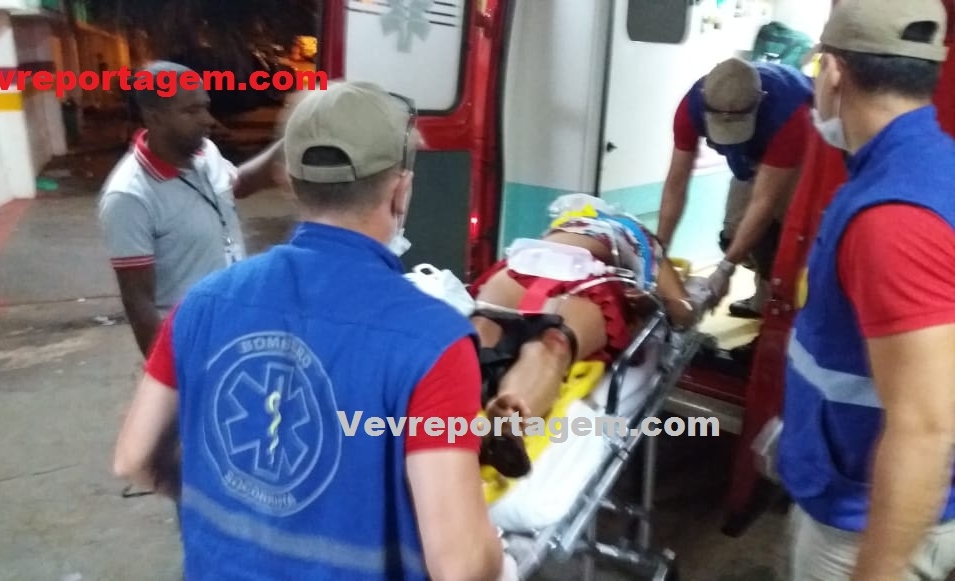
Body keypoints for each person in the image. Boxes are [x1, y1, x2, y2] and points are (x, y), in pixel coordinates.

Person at [111, 81, 510, 580]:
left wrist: (235, 509)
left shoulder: (202, 303)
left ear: (289, 181)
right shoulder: (434, 342)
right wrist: (495, 552)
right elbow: (460, 565)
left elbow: (133, 458)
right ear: (400, 190)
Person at [774, 0, 955, 578]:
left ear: (833, 72)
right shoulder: (929, 168)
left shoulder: (893, 217)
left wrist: (877, 569)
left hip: (864, 523)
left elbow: (924, 429)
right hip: (843, 481)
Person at [466, 194, 699, 477]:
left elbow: (680, 310)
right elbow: (683, 310)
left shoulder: (571, 227)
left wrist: (651, 302)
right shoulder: (640, 238)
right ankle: (500, 420)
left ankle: (476, 420)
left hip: (541, 269)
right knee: (545, 342)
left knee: (492, 335)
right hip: (565, 272)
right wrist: (655, 303)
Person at [97, 60, 285, 358]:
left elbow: (239, 184)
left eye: (205, 107)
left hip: (233, 326)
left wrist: (292, 139)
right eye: (192, 111)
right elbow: (139, 301)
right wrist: (169, 374)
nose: (208, 120)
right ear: (154, 117)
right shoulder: (129, 195)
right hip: (191, 343)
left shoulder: (206, 152)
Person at [658, 57, 813, 326]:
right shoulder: (692, 107)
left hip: (800, 153)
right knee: (733, 234)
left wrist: (725, 270)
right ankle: (764, 296)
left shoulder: (790, 112)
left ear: (760, 100)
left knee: (782, 239)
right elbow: (675, 184)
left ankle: (779, 318)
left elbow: (764, 203)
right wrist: (658, 255)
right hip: (750, 157)